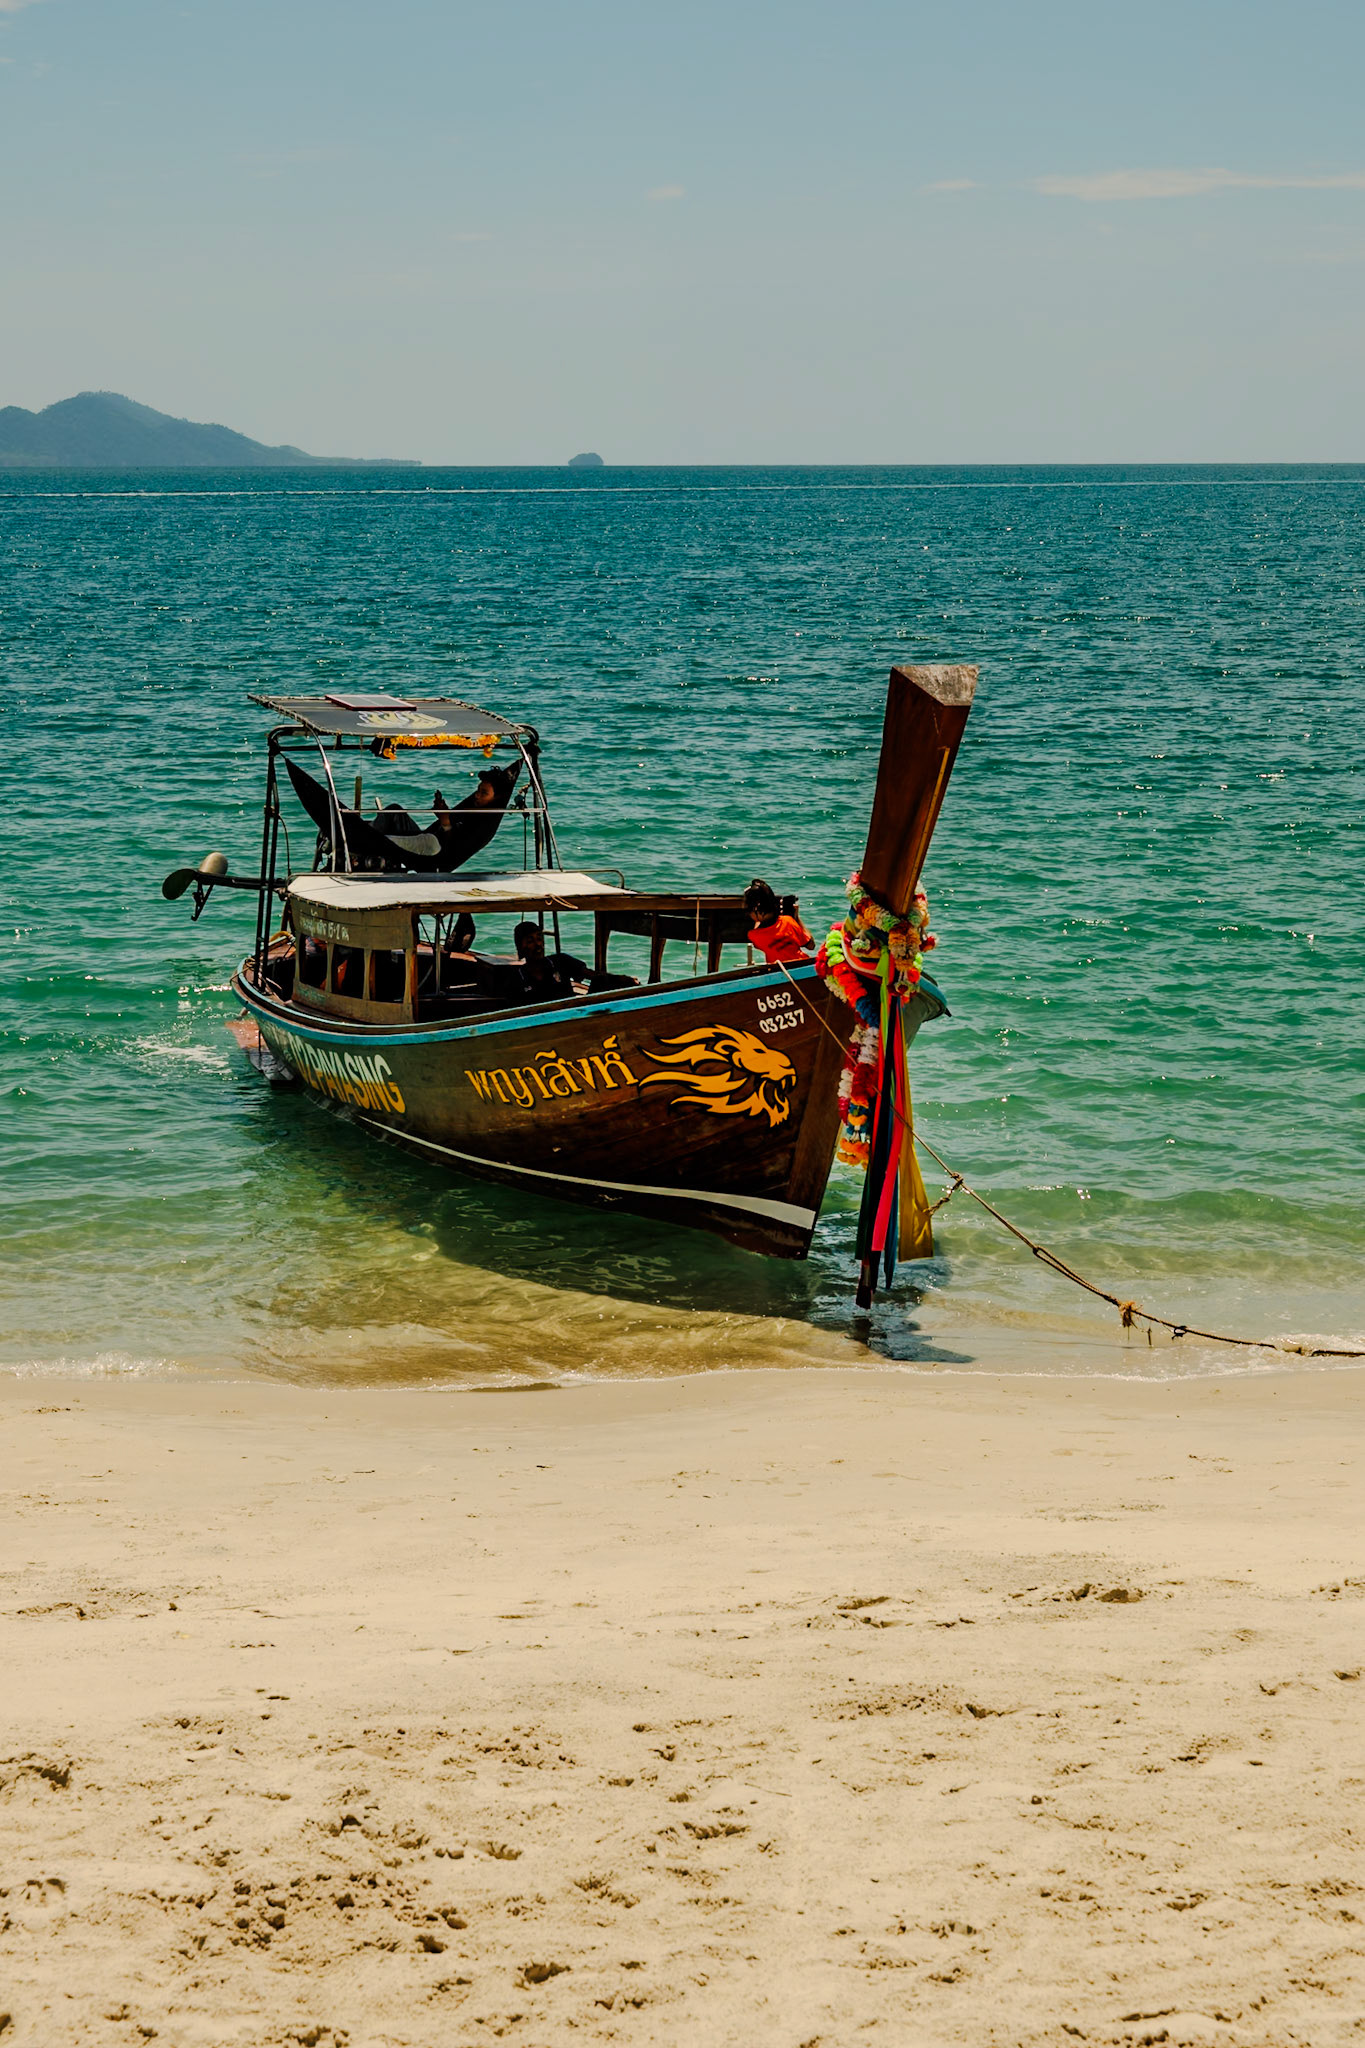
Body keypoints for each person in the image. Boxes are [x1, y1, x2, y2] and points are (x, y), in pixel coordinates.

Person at [512, 921, 590, 1003]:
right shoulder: (517, 979)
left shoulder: (561, 961)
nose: (538, 944)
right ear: (520, 947)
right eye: (530, 941)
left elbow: (590, 974)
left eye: (539, 939)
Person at [742, 878, 813, 965]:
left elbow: (760, 931)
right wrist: (796, 917)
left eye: (749, 911)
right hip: (803, 964)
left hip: (779, 970)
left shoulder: (755, 935)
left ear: (756, 909)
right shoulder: (788, 921)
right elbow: (811, 946)